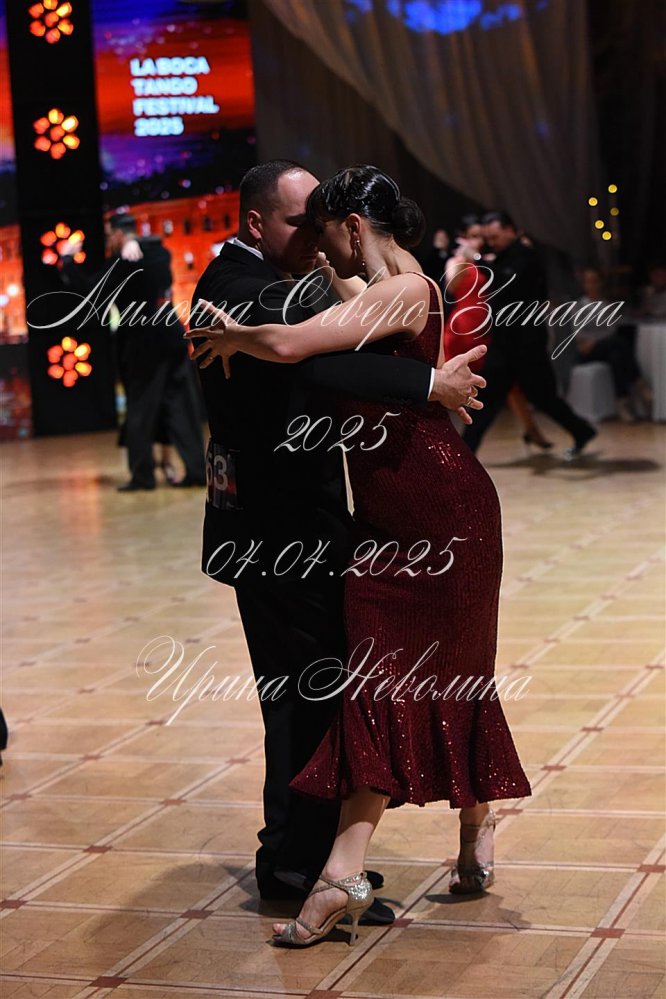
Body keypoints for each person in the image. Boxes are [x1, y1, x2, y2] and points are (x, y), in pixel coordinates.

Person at [188, 165, 531, 947]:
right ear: (255, 223)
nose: (312, 238)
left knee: (418, 671)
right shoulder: (246, 285)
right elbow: (314, 355)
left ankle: (361, 853)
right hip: (311, 531)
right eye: (298, 222)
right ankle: (312, 861)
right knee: (363, 684)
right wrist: (426, 380)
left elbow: (315, 350)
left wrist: (423, 380)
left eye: (322, 223)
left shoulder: (388, 287)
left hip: (428, 511)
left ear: (348, 226)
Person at [60, 217, 206, 490]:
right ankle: (197, 472)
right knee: (182, 406)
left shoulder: (123, 261)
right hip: (171, 335)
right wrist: (136, 242)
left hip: (142, 344)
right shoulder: (159, 254)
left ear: (118, 234)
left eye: (109, 236)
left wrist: (67, 260)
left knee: (140, 409)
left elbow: (92, 292)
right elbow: (156, 248)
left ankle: (142, 476)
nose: (108, 242)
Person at [461, 211, 596, 460]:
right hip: (506, 343)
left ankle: (582, 430)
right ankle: (465, 453)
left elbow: (505, 280)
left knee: (542, 396)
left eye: (495, 236)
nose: (491, 242)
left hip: (525, 344)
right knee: (489, 396)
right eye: (489, 238)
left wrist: (477, 259)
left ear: (511, 230)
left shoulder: (525, 255)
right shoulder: (506, 255)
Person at [445, 214, 553, 450]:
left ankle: (531, 430)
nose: (479, 241)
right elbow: (451, 287)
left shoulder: (491, 259)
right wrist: (466, 259)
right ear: (463, 237)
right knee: (454, 383)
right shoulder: (458, 261)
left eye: (481, 237)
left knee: (505, 386)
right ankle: (450, 442)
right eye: (473, 236)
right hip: (464, 329)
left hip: (489, 328)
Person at [571, 267, 647, 423]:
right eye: (588, 282)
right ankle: (638, 382)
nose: (592, 285)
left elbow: (611, 329)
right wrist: (594, 341)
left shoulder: (607, 306)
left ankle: (622, 402)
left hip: (604, 348)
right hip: (587, 350)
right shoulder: (577, 306)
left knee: (616, 356)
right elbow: (579, 332)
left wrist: (596, 341)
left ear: (600, 283)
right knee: (620, 343)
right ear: (584, 284)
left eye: (595, 281)